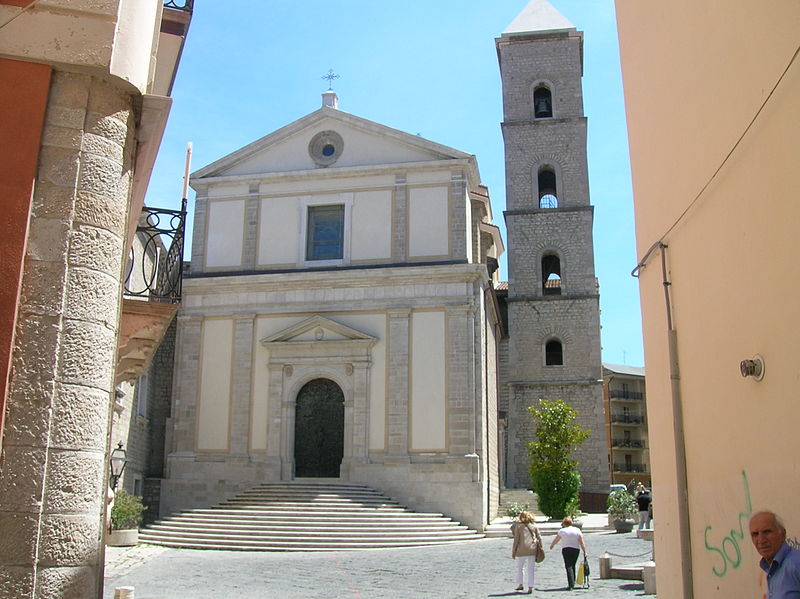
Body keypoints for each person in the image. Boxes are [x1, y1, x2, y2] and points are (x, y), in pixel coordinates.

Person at [749, 510, 800, 598]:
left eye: (767, 532)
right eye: (755, 534)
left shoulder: (795, 563)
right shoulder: (771, 568)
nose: (761, 540)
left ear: (782, 534)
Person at [550, 516, 587, 590]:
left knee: (568, 566)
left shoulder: (562, 531)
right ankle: (572, 582)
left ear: (564, 523)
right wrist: (584, 551)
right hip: (576, 549)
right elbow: (581, 542)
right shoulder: (577, 530)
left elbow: (556, 539)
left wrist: (552, 545)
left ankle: (571, 584)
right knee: (573, 565)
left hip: (566, 549)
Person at [511, 510, 542, 594]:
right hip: (532, 549)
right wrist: (541, 548)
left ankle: (520, 584)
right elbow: (539, 538)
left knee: (520, 567)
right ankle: (530, 586)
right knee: (531, 569)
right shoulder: (534, 526)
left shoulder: (519, 527)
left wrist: (513, 551)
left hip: (521, 549)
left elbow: (516, 540)